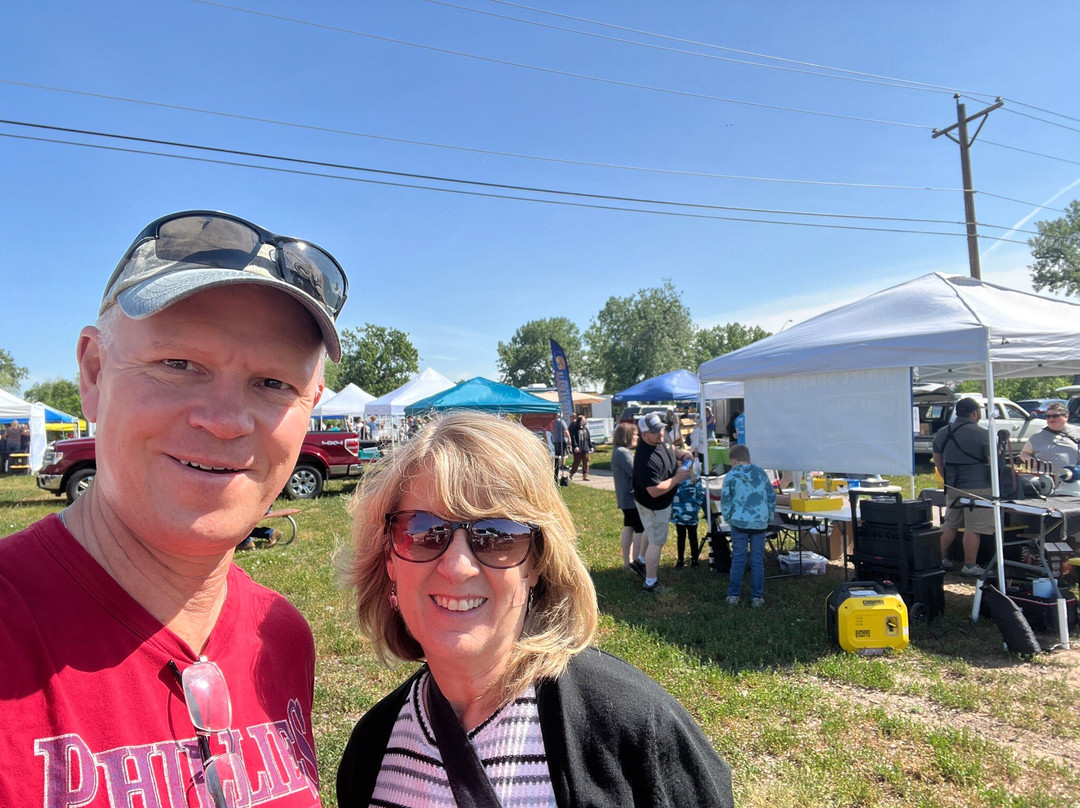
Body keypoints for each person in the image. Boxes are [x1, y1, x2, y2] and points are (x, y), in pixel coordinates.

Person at [0, 210, 348, 806]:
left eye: (272, 384)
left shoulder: (281, 638)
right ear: (94, 370)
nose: (224, 420)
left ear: (309, 406)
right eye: (179, 365)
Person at [336, 411, 733, 807]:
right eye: (423, 531)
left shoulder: (633, 729)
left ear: (536, 564)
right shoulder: (371, 749)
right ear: (389, 559)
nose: (457, 567)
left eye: (497, 535)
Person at [633, 412, 693, 593]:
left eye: (660, 429)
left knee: (650, 532)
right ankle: (650, 583)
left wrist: (682, 455)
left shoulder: (661, 438)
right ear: (644, 435)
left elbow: (671, 449)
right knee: (657, 541)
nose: (660, 434)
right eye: (654, 432)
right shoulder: (645, 459)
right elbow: (654, 490)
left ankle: (641, 562)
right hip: (654, 504)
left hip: (661, 503)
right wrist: (676, 478)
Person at [933, 397, 992, 577]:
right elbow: (992, 463)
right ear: (975, 413)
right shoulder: (983, 434)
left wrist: (947, 478)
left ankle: (938, 559)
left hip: (953, 486)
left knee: (950, 523)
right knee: (973, 527)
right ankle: (970, 565)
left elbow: (938, 459)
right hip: (979, 487)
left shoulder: (943, 432)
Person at [722, 444, 776, 607]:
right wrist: (769, 515)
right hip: (759, 523)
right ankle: (757, 597)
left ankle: (733, 595)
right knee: (757, 560)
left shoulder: (730, 476)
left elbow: (726, 500)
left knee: (738, 559)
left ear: (732, 461)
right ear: (749, 459)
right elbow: (770, 495)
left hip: (739, 523)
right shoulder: (761, 473)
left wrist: (729, 518)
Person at [611, 422, 645, 573]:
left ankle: (628, 562)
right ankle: (637, 561)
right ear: (627, 436)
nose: (637, 437)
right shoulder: (623, 452)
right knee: (639, 528)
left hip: (625, 497)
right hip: (631, 497)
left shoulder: (618, 451)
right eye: (635, 434)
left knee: (629, 526)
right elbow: (635, 472)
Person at [1020, 401, 1080, 475]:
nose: (1051, 419)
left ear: (1066, 416)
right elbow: (1024, 453)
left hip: (1073, 480)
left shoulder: (1077, 432)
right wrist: (1029, 459)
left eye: (1055, 416)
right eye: (1048, 416)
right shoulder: (1038, 436)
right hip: (1045, 481)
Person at [671, 466, 705, 568]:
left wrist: (696, 506)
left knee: (692, 536)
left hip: (691, 513)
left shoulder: (695, 478)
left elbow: (701, 493)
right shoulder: (675, 478)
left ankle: (695, 559)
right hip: (679, 512)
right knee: (681, 536)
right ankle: (680, 560)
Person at [569, 414, 593, 480]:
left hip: (585, 448)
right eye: (583, 420)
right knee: (577, 462)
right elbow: (573, 438)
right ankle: (572, 473)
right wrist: (575, 446)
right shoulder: (575, 429)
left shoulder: (586, 429)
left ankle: (585, 475)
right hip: (578, 448)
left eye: (584, 420)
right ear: (579, 421)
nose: (584, 421)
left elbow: (588, 439)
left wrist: (591, 447)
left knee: (586, 462)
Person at [551, 411, 570, 479]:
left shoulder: (553, 422)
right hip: (562, 440)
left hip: (556, 440)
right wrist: (569, 439)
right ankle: (563, 465)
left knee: (557, 455)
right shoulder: (562, 421)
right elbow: (566, 431)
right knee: (563, 453)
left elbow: (552, 432)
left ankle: (556, 466)